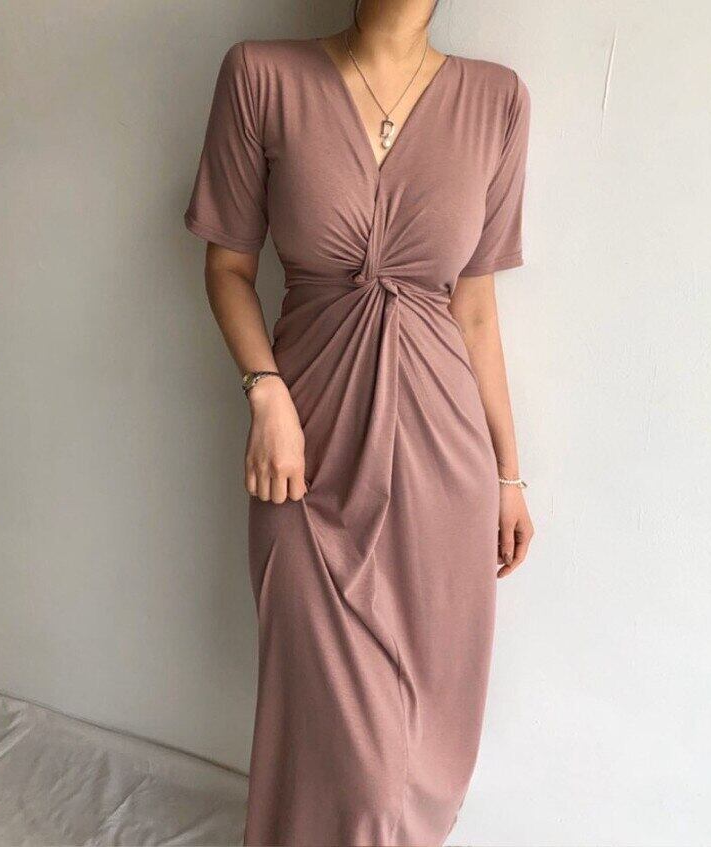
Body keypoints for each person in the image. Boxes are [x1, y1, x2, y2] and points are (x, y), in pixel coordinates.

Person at [184, 1, 534, 843]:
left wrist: (508, 474)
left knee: (418, 755)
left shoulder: (497, 100)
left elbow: (475, 311)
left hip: (441, 466)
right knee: (346, 747)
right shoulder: (261, 76)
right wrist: (265, 391)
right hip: (301, 456)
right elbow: (228, 267)